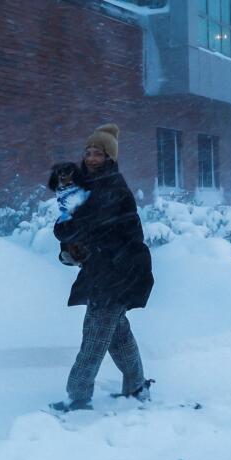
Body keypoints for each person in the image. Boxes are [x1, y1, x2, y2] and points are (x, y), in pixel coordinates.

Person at [50, 124, 154, 412]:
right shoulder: (91, 185)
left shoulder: (112, 189)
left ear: (109, 158)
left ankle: (78, 397)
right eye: (88, 152)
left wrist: (67, 234)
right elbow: (71, 225)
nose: (91, 157)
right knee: (118, 336)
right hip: (107, 270)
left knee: (94, 337)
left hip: (118, 272)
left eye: (98, 153)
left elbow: (80, 225)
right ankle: (136, 387)